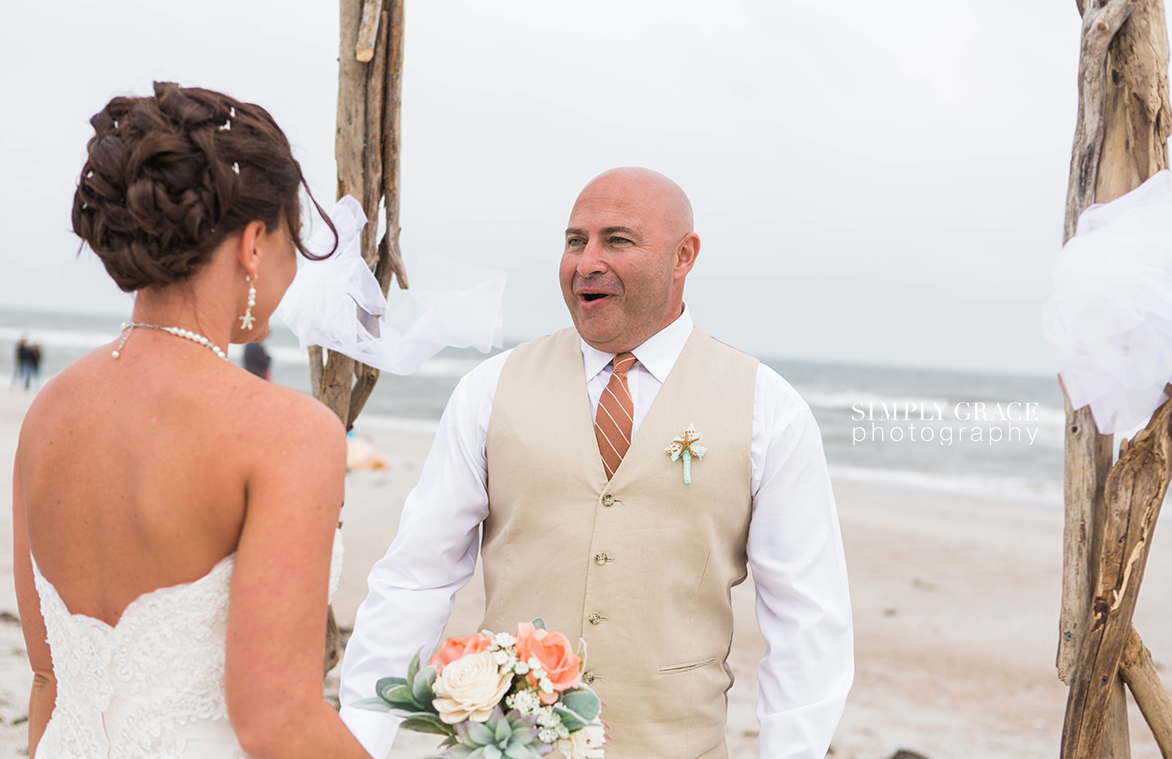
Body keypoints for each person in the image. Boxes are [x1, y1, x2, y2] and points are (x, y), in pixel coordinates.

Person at [339, 168, 854, 759]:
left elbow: (808, 621)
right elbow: (416, 579)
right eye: (575, 240)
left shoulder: (771, 409)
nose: (586, 262)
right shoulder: (489, 391)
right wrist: (358, 739)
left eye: (617, 240)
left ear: (684, 256)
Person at [13, 82, 372, 759]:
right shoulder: (287, 433)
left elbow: (46, 679)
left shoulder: (46, 412)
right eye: (293, 241)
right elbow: (277, 720)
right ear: (254, 243)